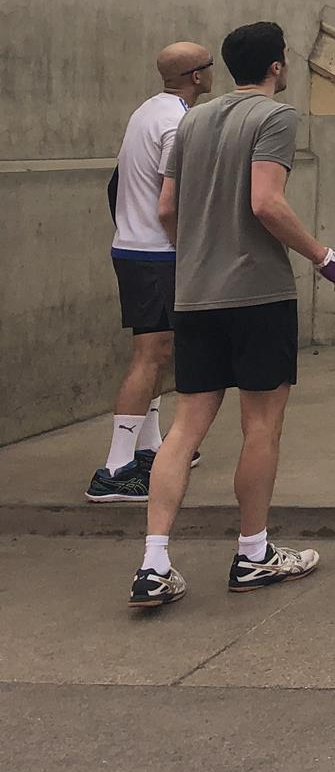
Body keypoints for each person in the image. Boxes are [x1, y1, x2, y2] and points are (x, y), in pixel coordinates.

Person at [129, 22, 335, 609]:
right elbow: (265, 201)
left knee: (184, 429)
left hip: (195, 296)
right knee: (261, 427)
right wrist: (324, 257)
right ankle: (252, 554)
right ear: (277, 67)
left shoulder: (192, 120)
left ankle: (153, 564)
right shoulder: (276, 118)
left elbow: (167, 206)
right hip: (258, 296)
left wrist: (196, 258)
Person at [88, 42, 213, 504]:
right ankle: (115, 470)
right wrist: (185, 248)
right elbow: (169, 205)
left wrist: (129, 229)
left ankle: (149, 448)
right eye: (209, 66)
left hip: (136, 250)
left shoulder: (145, 113)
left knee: (157, 351)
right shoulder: (179, 124)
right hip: (157, 255)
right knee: (151, 354)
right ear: (198, 76)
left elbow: (116, 184)